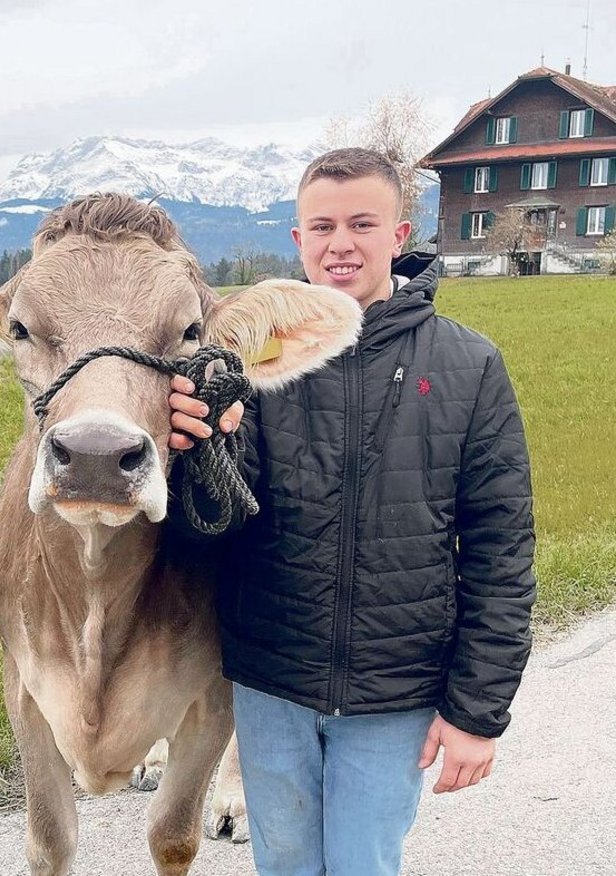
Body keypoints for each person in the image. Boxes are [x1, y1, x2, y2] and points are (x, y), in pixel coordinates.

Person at [168, 147, 536, 875]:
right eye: (323, 226)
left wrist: (476, 712)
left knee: (364, 864)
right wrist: (200, 449)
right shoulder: (249, 364)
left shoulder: (468, 365)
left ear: (399, 237)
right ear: (298, 242)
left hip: (396, 691)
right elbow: (209, 530)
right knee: (287, 864)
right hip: (274, 682)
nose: (342, 244)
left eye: (362, 223)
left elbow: (502, 548)